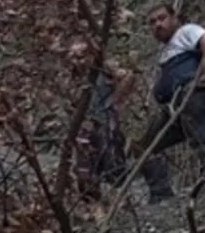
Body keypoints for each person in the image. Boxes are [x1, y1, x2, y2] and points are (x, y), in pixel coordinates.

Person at [130, 4, 205, 197]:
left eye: (162, 18)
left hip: (192, 96)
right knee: (146, 146)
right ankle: (161, 194)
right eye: (152, 22)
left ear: (174, 18)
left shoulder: (186, 31)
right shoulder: (166, 50)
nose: (158, 24)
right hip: (173, 108)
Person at [66, 40, 173, 203]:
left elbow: (128, 76)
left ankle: (160, 192)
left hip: (112, 121)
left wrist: (115, 100)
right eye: (73, 57)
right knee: (86, 168)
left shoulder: (104, 68)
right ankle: (92, 204)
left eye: (81, 57)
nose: (77, 61)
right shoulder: (72, 79)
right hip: (89, 126)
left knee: (128, 156)